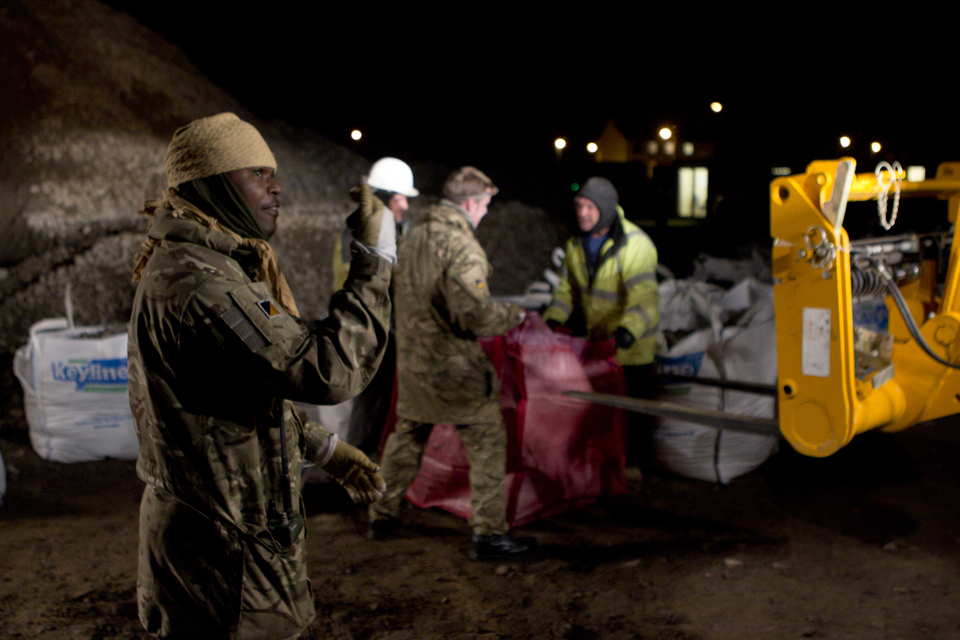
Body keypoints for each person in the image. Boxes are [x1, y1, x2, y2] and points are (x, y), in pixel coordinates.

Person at [128, 112, 394, 640]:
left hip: (225, 540)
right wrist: (374, 259)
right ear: (211, 185)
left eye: (272, 172)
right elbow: (328, 370)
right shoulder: (205, 286)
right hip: (226, 560)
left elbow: (235, 403)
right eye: (255, 173)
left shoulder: (205, 265)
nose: (276, 187)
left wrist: (320, 449)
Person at [367, 166, 533, 561]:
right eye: (486, 205)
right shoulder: (461, 246)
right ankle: (489, 535)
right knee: (488, 439)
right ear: (471, 203)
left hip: (412, 365)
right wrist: (515, 315)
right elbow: (471, 316)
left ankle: (380, 516)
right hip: (453, 370)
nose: (485, 213)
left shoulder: (412, 238)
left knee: (406, 438)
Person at [542, 176, 660, 460]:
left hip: (632, 349)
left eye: (590, 207)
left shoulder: (635, 245)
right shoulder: (576, 245)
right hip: (601, 345)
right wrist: (552, 320)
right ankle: (606, 465)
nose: (583, 213)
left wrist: (626, 333)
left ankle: (634, 467)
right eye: (579, 206)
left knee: (633, 412)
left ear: (606, 209)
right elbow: (566, 290)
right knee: (604, 411)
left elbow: (644, 298)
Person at [326, 157, 418, 454]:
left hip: (390, 332)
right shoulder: (359, 235)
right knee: (368, 406)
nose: (406, 206)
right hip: (367, 332)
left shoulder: (396, 232)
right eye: (402, 198)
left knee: (383, 407)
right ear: (385, 199)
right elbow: (351, 287)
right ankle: (354, 470)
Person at [332, 157, 417, 292]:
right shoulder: (351, 239)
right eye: (399, 199)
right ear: (382, 200)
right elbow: (348, 293)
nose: (405, 206)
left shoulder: (401, 231)